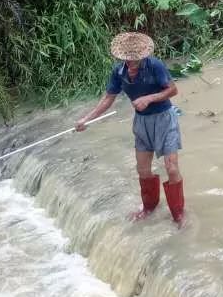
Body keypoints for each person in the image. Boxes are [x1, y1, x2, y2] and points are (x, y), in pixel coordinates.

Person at [76, 32, 185, 224]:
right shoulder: (118, 72)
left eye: (136, 59)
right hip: (141, 123)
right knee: (142, 170)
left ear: (143, 55)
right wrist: (86, 119)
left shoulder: (155, 66)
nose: (132, 62)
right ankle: (149, 208)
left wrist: (149, 98)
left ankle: (178, 214)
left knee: (172, 168)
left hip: (164, 120)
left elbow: (172, 90)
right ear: (122, 57)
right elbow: (108, 98)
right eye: (128, 59)